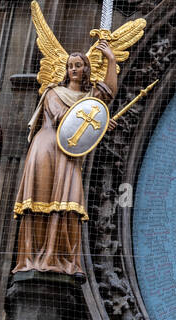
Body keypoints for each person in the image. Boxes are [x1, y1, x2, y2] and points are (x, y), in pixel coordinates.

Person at [13, 40, 117, 278]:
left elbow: (108, 92)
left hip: (69, 155)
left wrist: (111, 59)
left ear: (85, 69)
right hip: (47, 147)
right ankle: (33, 257)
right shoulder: (53, 92)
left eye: (79, 65)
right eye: (70, 65)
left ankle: (60, 258)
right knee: (40, 201)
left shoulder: (89, 97)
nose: (73, 69)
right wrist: (98, 120)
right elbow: (62, 118)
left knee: (69, 203)